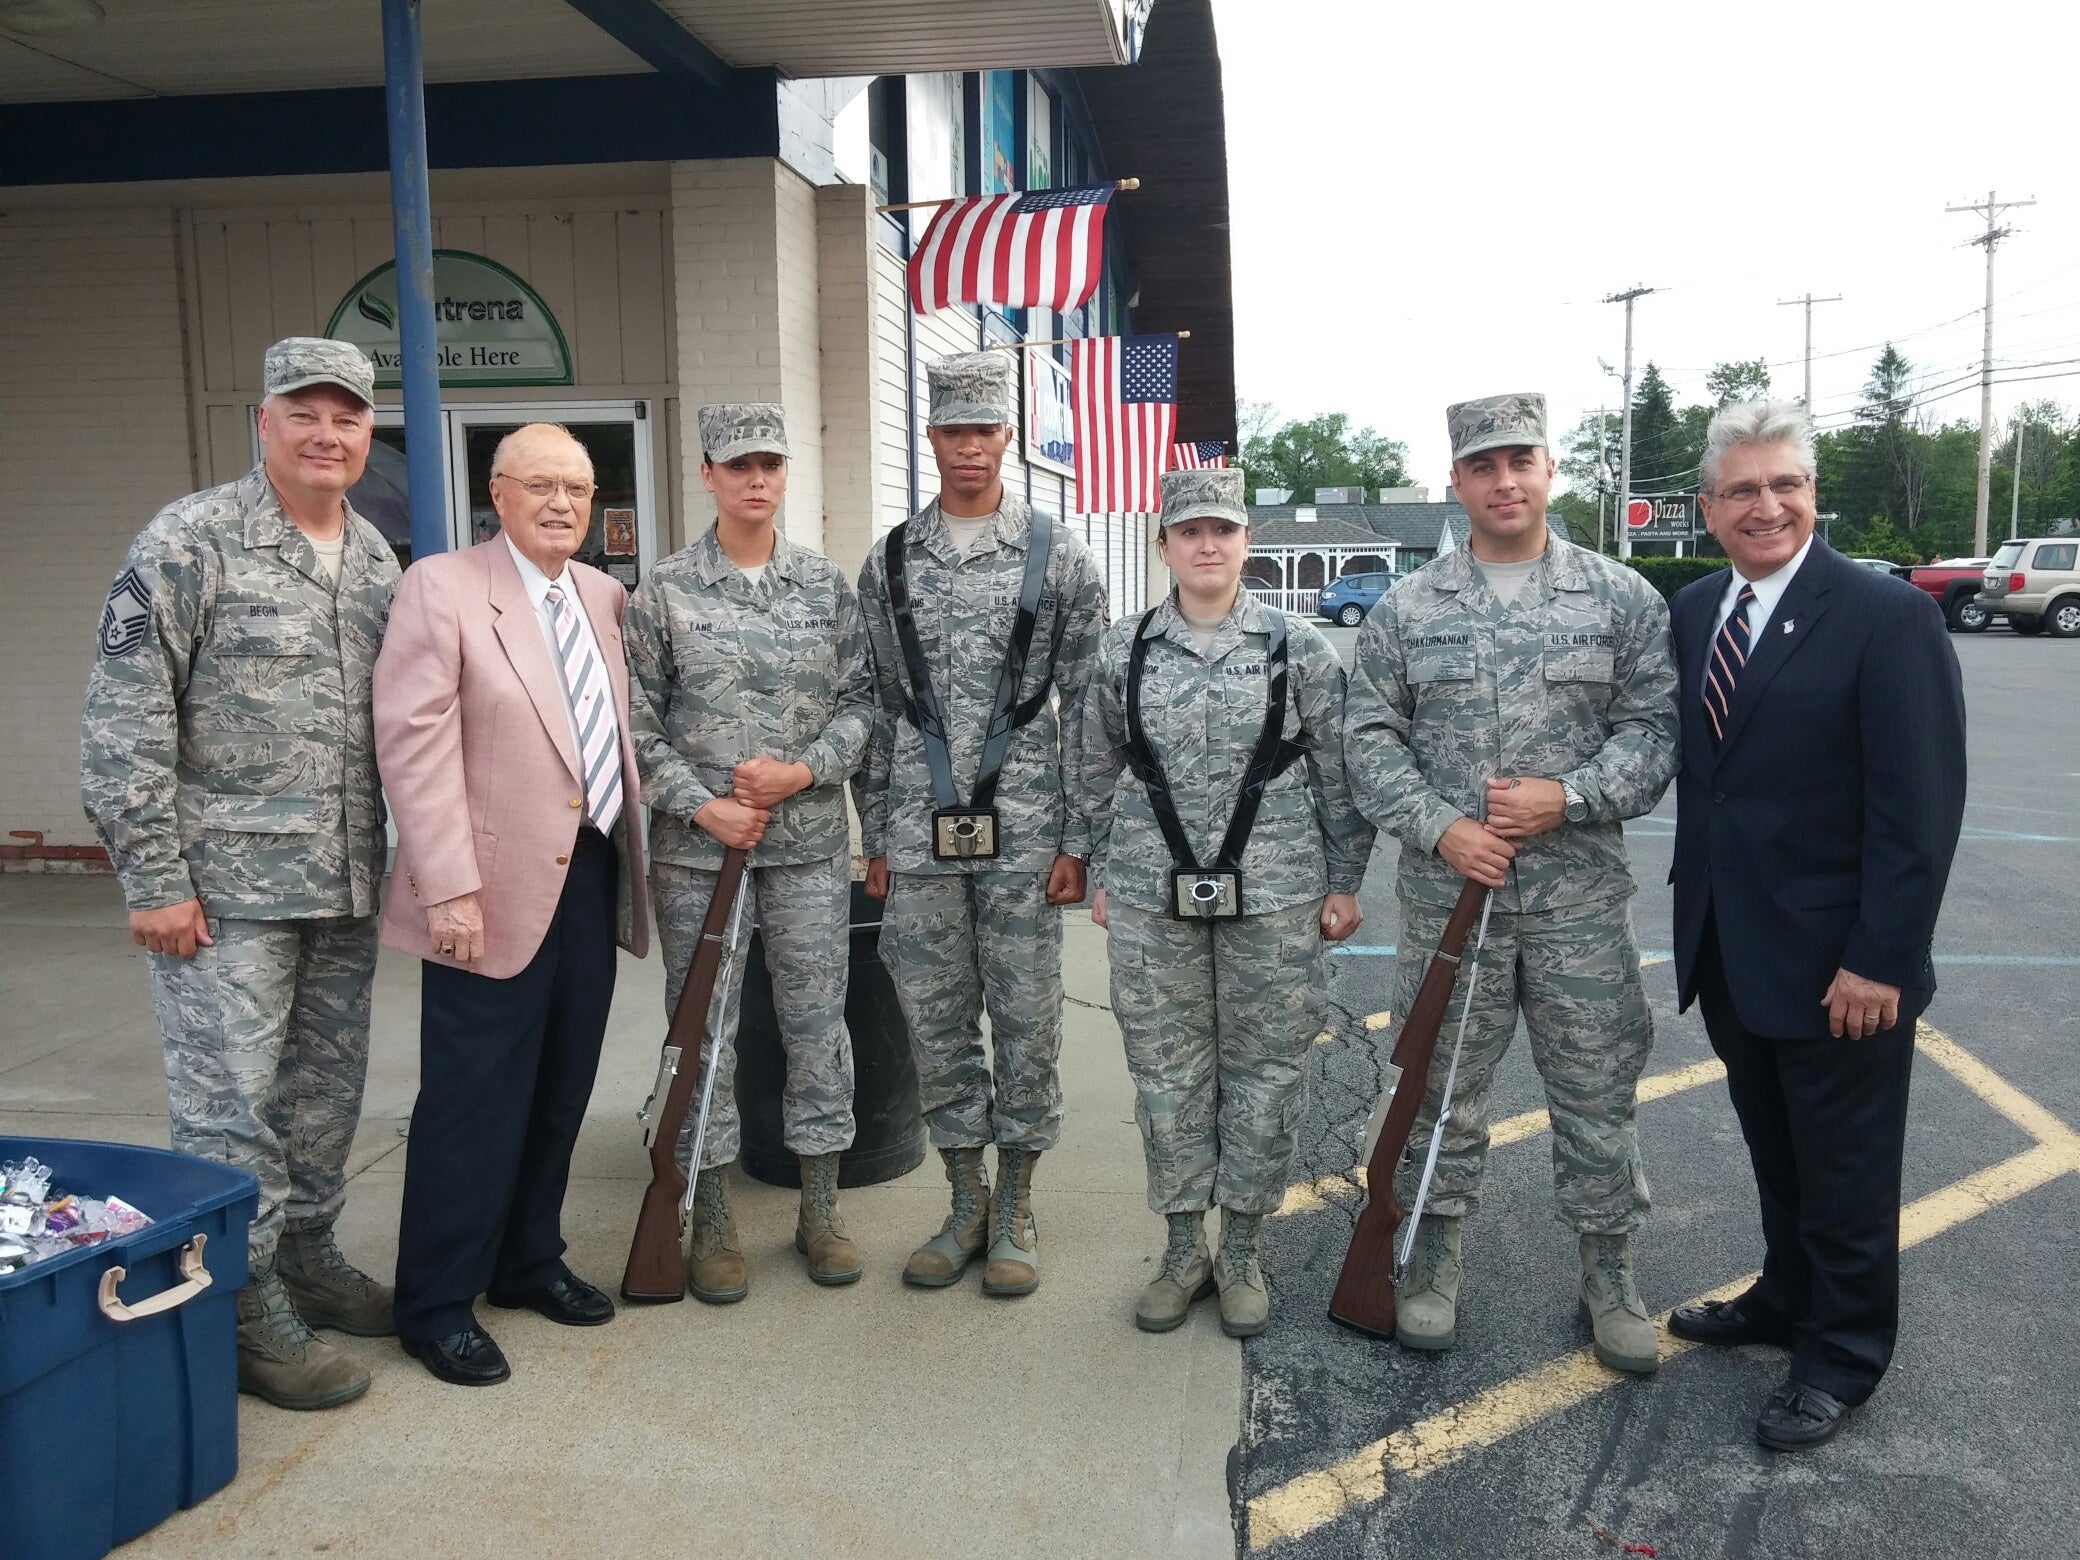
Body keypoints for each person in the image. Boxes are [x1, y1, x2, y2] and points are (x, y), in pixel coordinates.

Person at [80, 337, 400, 1411]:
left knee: (322, 1098)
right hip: (224, 899)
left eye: (347, 417)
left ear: (367, 433)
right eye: (303, 413)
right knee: (228, 1110)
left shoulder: (375, 560)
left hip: (343, 888)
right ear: (262, 423)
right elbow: (123, 716)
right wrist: (153, 877)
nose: (327, 434)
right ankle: (238, 1298)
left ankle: (306, 1253)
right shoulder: (188, 540)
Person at [1342, 391, 1678, 1374]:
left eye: (1519, 460)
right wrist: (1439, 827)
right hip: (1453, 906)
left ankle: (1609, 1271)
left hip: (1578, 900)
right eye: (1482, 466)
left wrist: (1565, 798)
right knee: (1441, 1090)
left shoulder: (1619, 600)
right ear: (1456, 482)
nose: (1503, 480)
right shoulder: (1410, 609)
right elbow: (1368, 745)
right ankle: (1432, 1254)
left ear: (1548, 470)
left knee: (1596, 1086)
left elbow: (1655, 735)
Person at [1666, 400, 1966, 1450]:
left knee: (1843, 1170)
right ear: (1708, 508)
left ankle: (1840, 1354)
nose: (1766, 505)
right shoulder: (1699, 610)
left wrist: (1880, 959)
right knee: (1778, 1155)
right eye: (1742, 489)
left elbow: (1918, 808)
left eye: (1784, 484)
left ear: (1811, 495)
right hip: (1729, 951)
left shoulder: (1884, 618)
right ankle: (1784, 1298)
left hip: (1841, 967)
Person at [374, 422, 651, 1386]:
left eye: (577, 486)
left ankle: (527, 1260)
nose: (563, 503)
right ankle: (436, 1302)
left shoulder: (605, 596)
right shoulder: (442, 588)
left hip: (588, 876)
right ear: (497, 493)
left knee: (562, 1082)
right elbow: (413, 747)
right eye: (540, 484)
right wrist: (447, 883)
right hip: (481, 891)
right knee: (471, 1100)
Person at [1080, 468, 1369, 1336]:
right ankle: (1182, 1247)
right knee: (1165, 1073)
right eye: (1190, 531)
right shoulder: (1121, 648)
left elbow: (1338, 770)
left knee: (1265, 1071)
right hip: (1146, 889)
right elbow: (1089, 768)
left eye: (1224, 531)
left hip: (1276, 892)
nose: (1208, 546)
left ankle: (1242, 1245)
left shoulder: (1298, 647)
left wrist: (1346, 878)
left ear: (1248, 542)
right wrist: (1096, 866)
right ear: (1163, 545)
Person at [853, 351, 1109, 1297]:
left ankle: (1019, 1203)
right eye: (952, 431)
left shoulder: (1059, 555)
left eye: (984, 430)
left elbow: (1086, 706)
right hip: (920, 834)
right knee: (935, 1017)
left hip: (1028, 825)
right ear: (931, 440)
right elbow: (879, 705)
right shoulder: (888, 561)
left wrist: (1082, 841)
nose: (969, 447)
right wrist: (874, 835)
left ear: (1009, 438)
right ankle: (964, 1199)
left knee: (1028, 1016)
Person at [625, 403, 875, 1302]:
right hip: (701, 860)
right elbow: (635, 726)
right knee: (707, 1038)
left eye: (770, 463)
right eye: (739, 466)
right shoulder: (663, 591)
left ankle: (820, 1205)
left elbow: (862, 707)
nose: (756, 479)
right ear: (708, 476)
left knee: (818, 1029)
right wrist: (702, 809)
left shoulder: (822, 585)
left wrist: (805, 772)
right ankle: (711, 1207)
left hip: (806, 851)